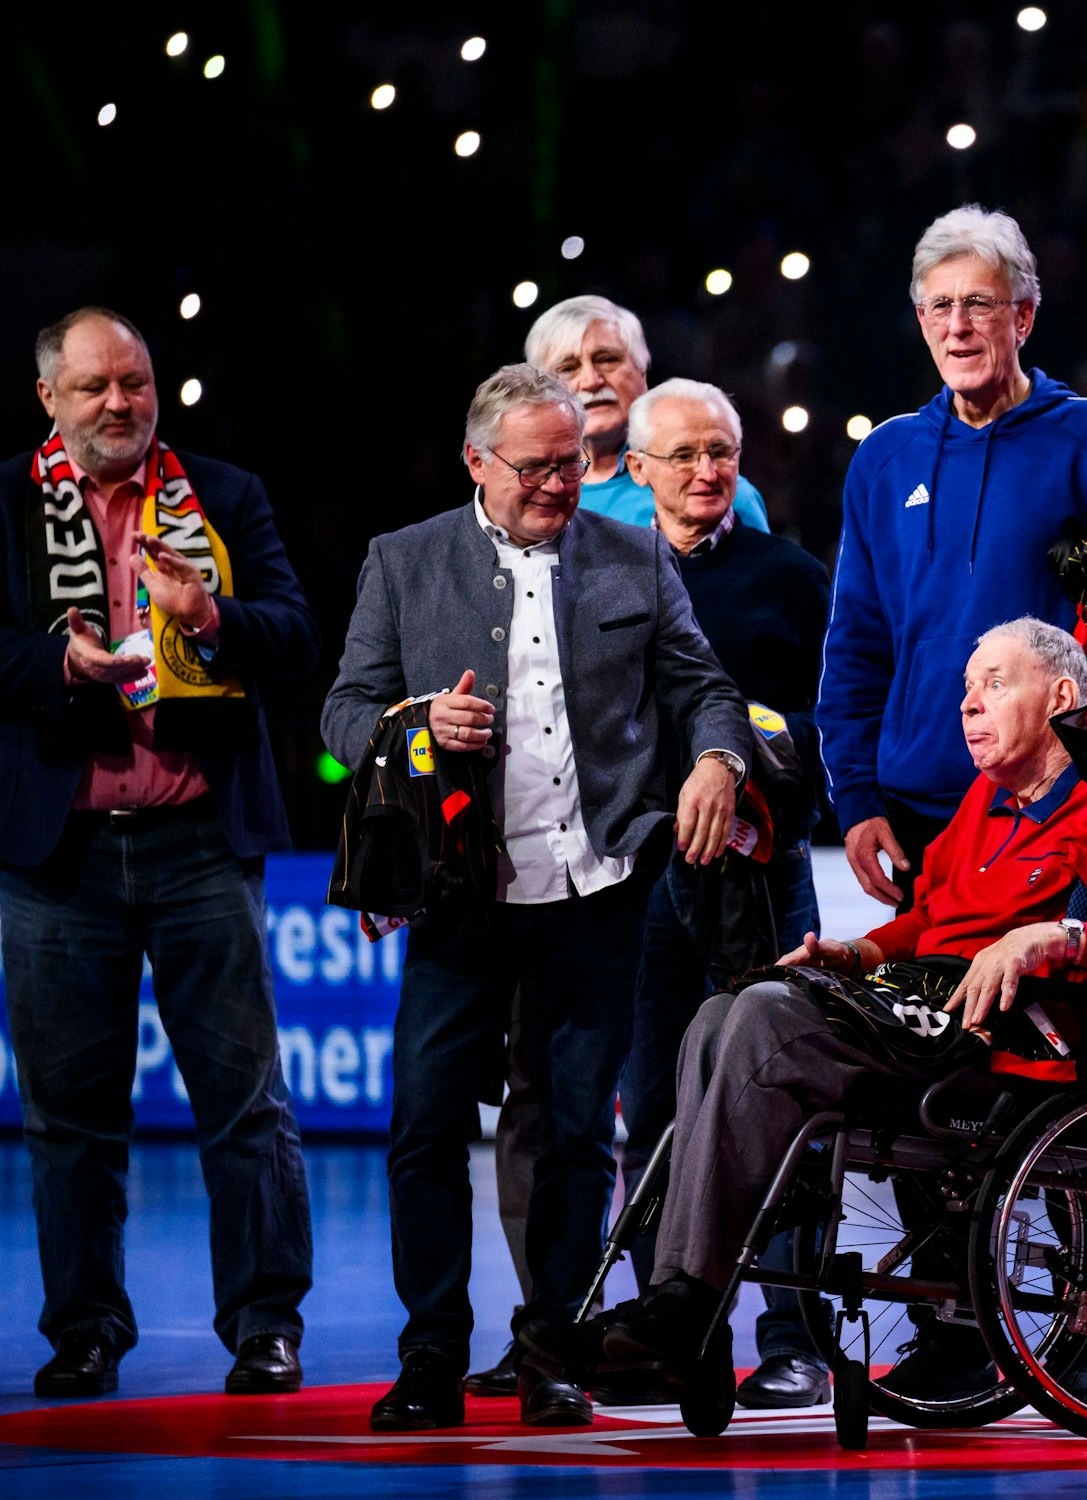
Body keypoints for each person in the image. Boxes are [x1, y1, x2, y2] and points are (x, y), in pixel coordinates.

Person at [520, 618, 1087, 1406]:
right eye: (967, 689)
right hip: (925, 1014)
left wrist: (1054, 938)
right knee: (719, 1014)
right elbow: (932, 920)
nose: (968, 705)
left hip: (1007, 1046)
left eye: (994, 685)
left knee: (761, 1017)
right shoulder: (989, 799)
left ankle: (684, 1310)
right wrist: (856, 953)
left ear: (1061, 696)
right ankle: (682, 1308)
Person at [321, 363, 752, 1432]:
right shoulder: (404, 560)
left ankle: (552, 1349)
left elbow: (703, 688)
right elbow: (344, 714)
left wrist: (717, 761)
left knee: (573, 1132)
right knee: (425, 1125)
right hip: (459, 900)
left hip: (596, 891)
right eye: (536, 468)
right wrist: (418, 727)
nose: (560, 484)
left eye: (573, 463)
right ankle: (430, 1356)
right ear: (477, 462)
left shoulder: (634, 554)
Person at [0, 307, 316, 1398]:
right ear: (49, 397)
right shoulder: (5, 499)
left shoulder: (222, 494)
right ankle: (86, 1329)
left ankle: (266, 1326)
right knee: (68, 1121)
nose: (119, 403)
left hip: (199, 842)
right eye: (94, 387)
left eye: (133, 382)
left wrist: (211, 615)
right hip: (61, 855)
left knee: (246, 1103)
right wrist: (57, 667)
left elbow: (297, 636)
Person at [819, 204, 1087, 912]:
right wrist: (855, 798)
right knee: (924, 987)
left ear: (1024, 317)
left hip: (1048, 804)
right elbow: (858, 639)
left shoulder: (1083, 440)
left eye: (979, 303)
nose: (958, 326)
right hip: (917, 810)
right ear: (921, 321)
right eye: (940, 306)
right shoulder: (887, 458)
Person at [617, 377, 834, 1409]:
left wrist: (757, 753)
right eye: (685, 455)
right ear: (636, 470)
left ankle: (796, 1338)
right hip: (640, 878)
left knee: (790, 1101)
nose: (707, 471)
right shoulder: (605, 573)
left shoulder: (790, 576)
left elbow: (837, 718)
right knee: (654, 1105)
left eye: (722, 452)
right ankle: (677, 1335)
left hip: (764, 868)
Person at [525, 294, 769, 532]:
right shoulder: (523, 497)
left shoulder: (714, 492)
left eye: (607, 359)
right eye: (568, 368)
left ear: (642, 371)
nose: (591, 381)